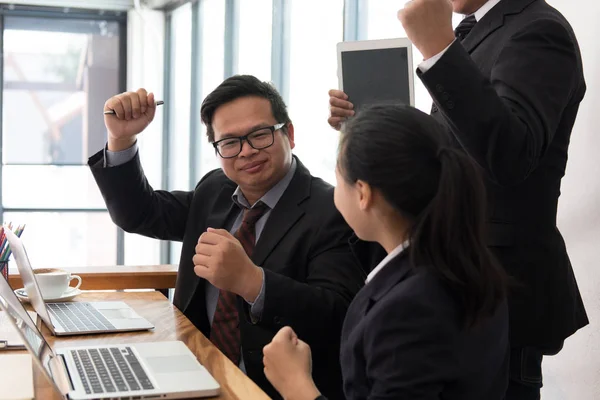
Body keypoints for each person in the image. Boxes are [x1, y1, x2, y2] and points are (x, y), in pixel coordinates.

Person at [328, 0, 588, 398]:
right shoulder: (478, 32)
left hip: (495, 291)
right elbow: (459, 150)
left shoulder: (539, 30)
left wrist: (440, 50)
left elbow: (509, 154)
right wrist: (371, 136)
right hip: (446, 283)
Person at [88, 75, 366, 399]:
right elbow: (141, 213)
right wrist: (120, 139)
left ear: (288, 133)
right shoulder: (215, 190)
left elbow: (338, 315)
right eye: (230, 143)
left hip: (269, 390)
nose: (246, 152)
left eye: (260, 135)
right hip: (192, 373)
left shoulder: (331, 209)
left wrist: (253, 282)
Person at [262, 104, 510, 399]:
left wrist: (295, 384)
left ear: (363, 193)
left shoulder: (409, 309)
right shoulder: (464, 262)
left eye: (338, 175)